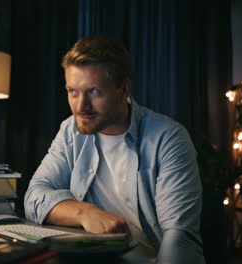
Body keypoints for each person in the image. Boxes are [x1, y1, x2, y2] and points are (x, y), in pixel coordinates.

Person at [24, 35, 205, 263]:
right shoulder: (70, 130)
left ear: (124, 88)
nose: (81, 107)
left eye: (94, 92)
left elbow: (178, 236)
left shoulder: (169, 138)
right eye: (73, 92)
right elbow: (34, 197)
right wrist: (85, 213)